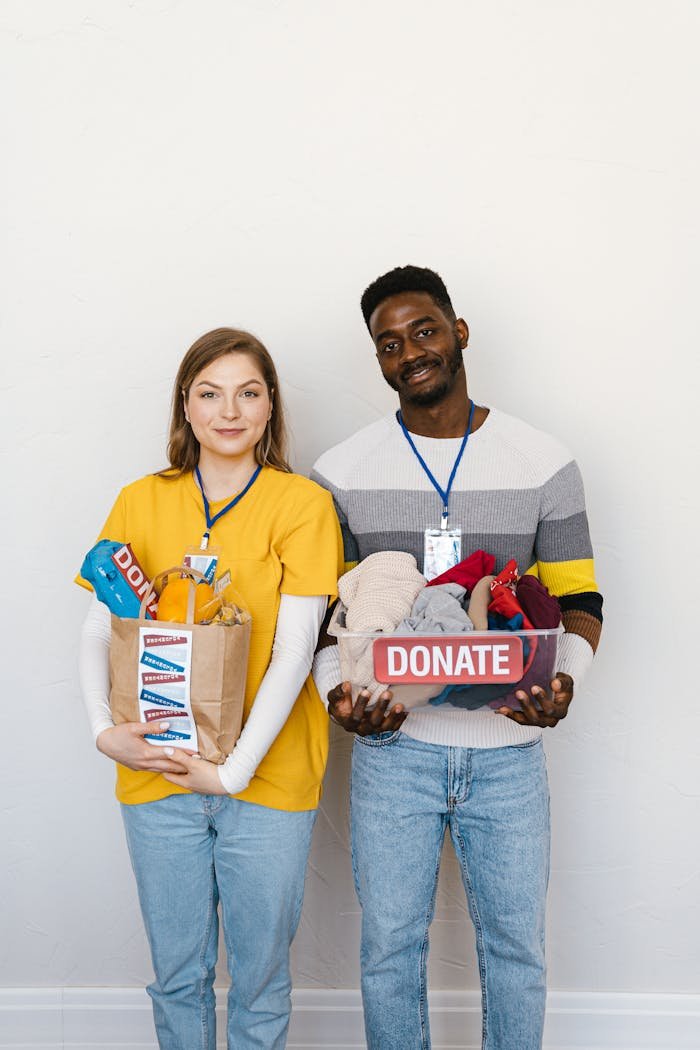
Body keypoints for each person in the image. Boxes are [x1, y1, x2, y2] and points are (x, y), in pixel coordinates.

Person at [311, 266, 603, 1050]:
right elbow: (321, 618)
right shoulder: (340, 473)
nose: (411, 352)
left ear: (459, 331)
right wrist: (342, 692)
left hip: (509, 753)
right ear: (377, 360)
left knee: (516, 954)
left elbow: (582, 603)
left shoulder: (543, 461)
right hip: (393, 752)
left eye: (425, 330)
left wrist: (564, 677)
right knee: (387, 954)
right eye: (389, 343)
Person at [77, 327, 343, 1050]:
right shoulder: (140, 499)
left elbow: (293, 652)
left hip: (268, 779)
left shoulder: (301, 505)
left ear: (270, 408)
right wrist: (104, 732)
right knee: (178, 975)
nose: (230, 410)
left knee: (260, 979)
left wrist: (229, 772)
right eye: (210, 393)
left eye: (249, 392)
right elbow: (101, 629)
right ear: (185, 407)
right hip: (156, 768)